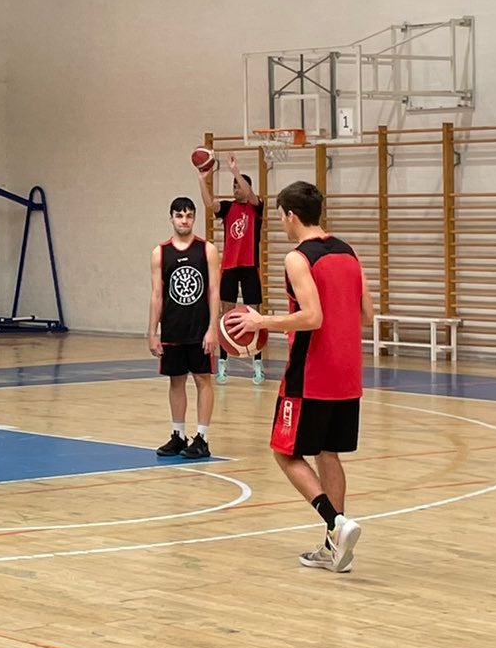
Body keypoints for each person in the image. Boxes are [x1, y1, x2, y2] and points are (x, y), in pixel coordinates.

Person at [226, 180, 369, 575]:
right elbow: (366, 315)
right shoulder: (348, 252)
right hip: (349, 373)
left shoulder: (298, 258)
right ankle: (333, 549)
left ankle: (334, 522)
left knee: (284, 451)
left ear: (290, 215)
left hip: (311, 373)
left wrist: (261, 320)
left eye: (280, 217)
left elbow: (312, 317)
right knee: (328, 453)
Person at [149, 196, 220, 458]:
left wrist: (213, 327)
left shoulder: (207, 250)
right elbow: (157, 295)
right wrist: (152, 332)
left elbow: (214, 291)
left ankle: (202, 438)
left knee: (203, 379)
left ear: (194, 218)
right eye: (179, 215)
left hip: (200, 328)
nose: (184, 220)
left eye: (189, 215)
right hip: (172, 328)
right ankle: (178, 435)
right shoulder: (160, 252)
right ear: (171, 218)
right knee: (175, 381)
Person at [202, 156, 267, 384]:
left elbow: (250, 193)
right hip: (229, 267)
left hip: (250, 267)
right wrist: (202, 179)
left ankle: (257, 365)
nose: (235, 189)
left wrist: (235, 171)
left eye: (238, 185)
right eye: (233, 186)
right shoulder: (228, 208)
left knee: (255, 315)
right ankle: (223, 364)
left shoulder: (256, 207)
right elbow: (210, 205)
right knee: (225, 316)